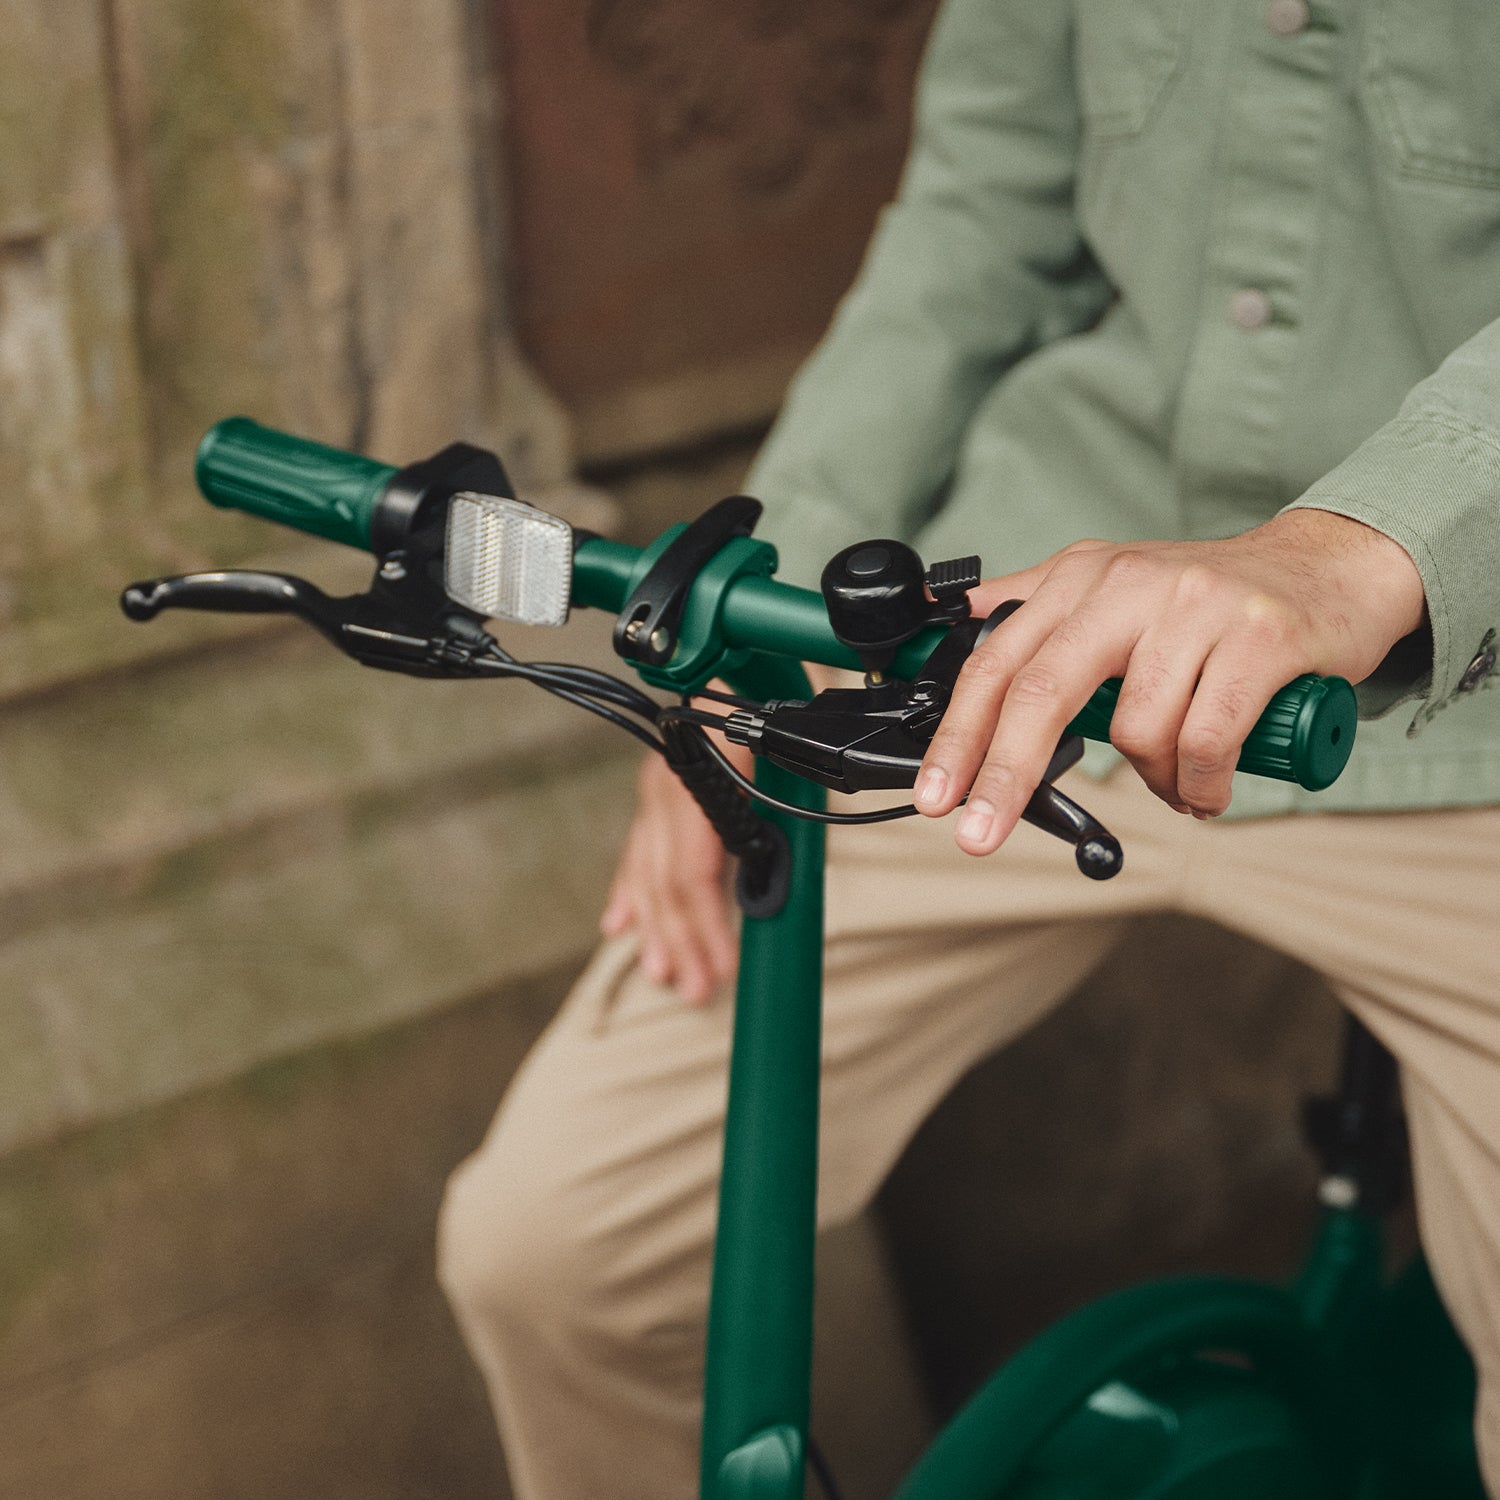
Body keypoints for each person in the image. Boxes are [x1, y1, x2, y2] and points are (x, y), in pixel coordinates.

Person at [437, 1, 1500, 1495]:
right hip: (1022, 662)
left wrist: (1361, 545)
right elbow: (977, 220)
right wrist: (745, 643)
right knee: (553, 1254)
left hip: (1465, 711)